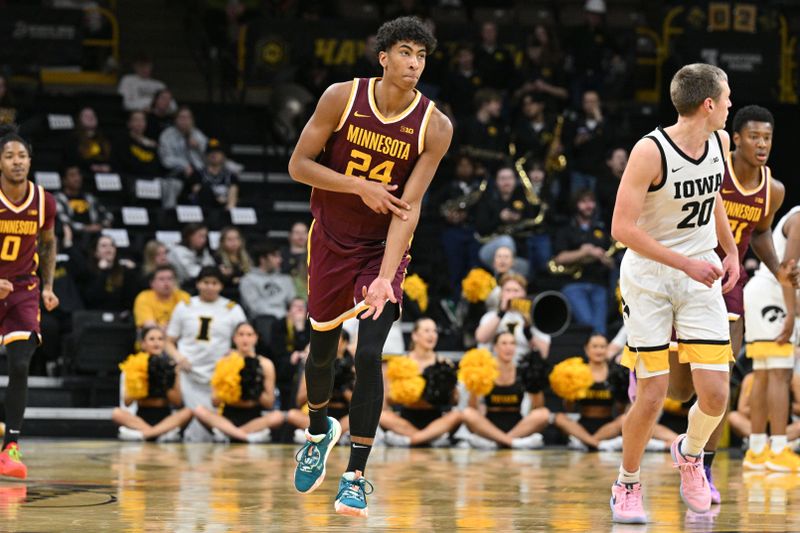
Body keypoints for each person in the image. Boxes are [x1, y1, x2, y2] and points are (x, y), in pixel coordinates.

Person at [287, 16, 451, 516]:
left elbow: (410, 206)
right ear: (383, 57)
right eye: (405, 52)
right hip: (331, 238)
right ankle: (319, 432)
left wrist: (384, 275)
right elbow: (299, 166)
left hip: (382, 249)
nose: (414, 64)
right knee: (320, 352)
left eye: (421, 56)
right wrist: (359, 186)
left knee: (367, 354)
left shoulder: (435, 125)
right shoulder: (342, 97)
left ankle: (356, 474)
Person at [609, 63, 738, 523]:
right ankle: (627, 483)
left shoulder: (719, 142)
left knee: (717, 393)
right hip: (650, 277)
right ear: (708, 104)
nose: (729, 105)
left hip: (698, 271)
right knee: (653, 393)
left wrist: (730, 250)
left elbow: (713, 198)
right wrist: (686, 262)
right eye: (726, 98)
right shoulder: (650, 152)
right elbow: (621, 228)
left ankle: (690, 452)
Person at [666, 105, 799, 500]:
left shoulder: (772, 189)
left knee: (719, 387)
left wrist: (778, 271)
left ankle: (702, 469)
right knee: (679, 392)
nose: (762, 144)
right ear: (736, 138)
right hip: (690, 279)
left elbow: (760, 234)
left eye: (768, 138)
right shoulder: (713, 169)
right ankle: (650, 378)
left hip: (731, 288)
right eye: (754, 137)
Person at [0, 125, 59, 478]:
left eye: (22, 156)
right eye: (9, 156)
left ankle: (11, 446)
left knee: (21, 364)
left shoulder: (43, 201)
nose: (17, 162)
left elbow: (48, 243)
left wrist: (48, 286)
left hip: (24, 289)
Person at [741, 206, 800, 472]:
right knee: (779, 373)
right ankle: (777, 449)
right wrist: (790, 313)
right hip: (771, 293)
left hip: (772, 294)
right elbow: (787, 268)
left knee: (765, 374)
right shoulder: (799, 219)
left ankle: (756, 451)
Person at [165, 266, 247, 441]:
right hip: (189, 374)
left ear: (221, 286)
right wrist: (179, 357)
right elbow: (168, 341)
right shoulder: (185, 306)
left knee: (214, 425)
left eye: (214, 283)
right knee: (191, 424)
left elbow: (244, 336)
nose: (210, 287)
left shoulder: (232, 308)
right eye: (206, 282)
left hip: (218, 376)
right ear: (198, 284)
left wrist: (233, 355)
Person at [194, 322, 304, 443]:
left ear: (256, 338)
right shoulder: (224, 362)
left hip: (254, 418)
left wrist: (254, 385)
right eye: (240, 334)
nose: (244, 339)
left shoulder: (265, 364)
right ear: (234, 338)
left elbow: (269, 403)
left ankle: (228, 433)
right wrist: (231, 387)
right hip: (228, 414)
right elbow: (214, 401)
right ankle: (244, 436)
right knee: (199, 410)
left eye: (249, 334)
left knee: (278, 416)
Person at [379, 318, 462, 448]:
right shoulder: (400, 363)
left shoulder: (445, 363)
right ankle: (429, 440)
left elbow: (454, 401)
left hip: (435, 419)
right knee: (381, 415)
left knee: (457, 415)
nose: (431, 335)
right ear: (415, 335)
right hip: (406, 419)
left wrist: (448, 390)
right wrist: (406, 394)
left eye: (434, 331)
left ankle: (412, 440)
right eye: (426, 331)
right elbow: (388, 400)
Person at [461, 331, 549, 449]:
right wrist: (474, 387)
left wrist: (536, 386)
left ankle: (499, 442)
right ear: (495, 348)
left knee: (543, 414)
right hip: (489, 425)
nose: (509, 347)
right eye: (504, 343)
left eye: (512, 343)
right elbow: (473, 407)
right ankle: (513, 442)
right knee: (467, 413)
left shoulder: (523, 371)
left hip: (517, 426)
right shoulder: (485, 371)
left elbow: (537, 407)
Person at [112, 326, 193, 441]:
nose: (157, 342)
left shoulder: (171, 367)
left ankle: (146, 434)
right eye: (152, 339)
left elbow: (177, 402)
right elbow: (127, 401)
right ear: (143, 344)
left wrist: (165, 380)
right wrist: (143, 380)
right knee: (116, 413)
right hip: (141, 418)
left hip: (165, 417)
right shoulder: (134, 365)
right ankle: (157, 433)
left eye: (160, 339)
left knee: (188, 412)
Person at [551, 189, 613, 334]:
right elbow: (559, 259)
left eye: (591, 202)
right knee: (588, 326)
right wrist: (584, 252)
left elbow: (611, 262)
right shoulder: (566, 230)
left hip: (599, 284)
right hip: (574, 285)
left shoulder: (601, 230)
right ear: (576, 205)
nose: (588, 206)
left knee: (600, 329)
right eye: (583, 202)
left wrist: (602, 256)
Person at [474, 273, 550, 362]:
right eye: (508, 290)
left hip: (523, 368)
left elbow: (544, 353)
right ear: (501, 294)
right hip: (495, 368)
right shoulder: (490, 316)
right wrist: (501, 313)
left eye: (516, 291)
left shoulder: (535, 318)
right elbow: (481, 338)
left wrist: (528, 331)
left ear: (524, 293)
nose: (512, 295)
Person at [296, 329, 355, 442]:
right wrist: (321, 387)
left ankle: (322, 437)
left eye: (335, 339)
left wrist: (342, 387)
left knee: (360, 417)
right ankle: (333, 437)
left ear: (345, 343)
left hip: (345, 415)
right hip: (320, 415)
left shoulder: (354, 366)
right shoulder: (314, 365)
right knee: (292, 415)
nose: (330, 343)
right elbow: (299, 401)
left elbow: (359, 405)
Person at [239, 241, 296, 348]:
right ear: (263, 259)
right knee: (267, 320)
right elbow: (255, 308)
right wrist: (280, 315)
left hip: (285, 321)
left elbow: (293, 302)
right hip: (263, 323)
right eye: (275, 256)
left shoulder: (286, 279)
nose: (280, 260)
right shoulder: (248, 280)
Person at [54, 165, 113, 250]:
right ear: (64, 180)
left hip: (94, 236)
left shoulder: (89, 197)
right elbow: (63, 220)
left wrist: (102, 225)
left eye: (78, 175)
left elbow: (108, 215)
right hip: (74, 238)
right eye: (72, 175)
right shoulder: (57, 198)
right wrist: (86, 228)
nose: (77, 178)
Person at [133, 265, 190, 331]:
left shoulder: (183, 296)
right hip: (152, 339)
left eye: (170, 279)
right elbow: (149, 327)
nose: (166, 283)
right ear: (152, 283)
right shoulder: (144, 297)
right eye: (161, 279)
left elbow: (189, 323)